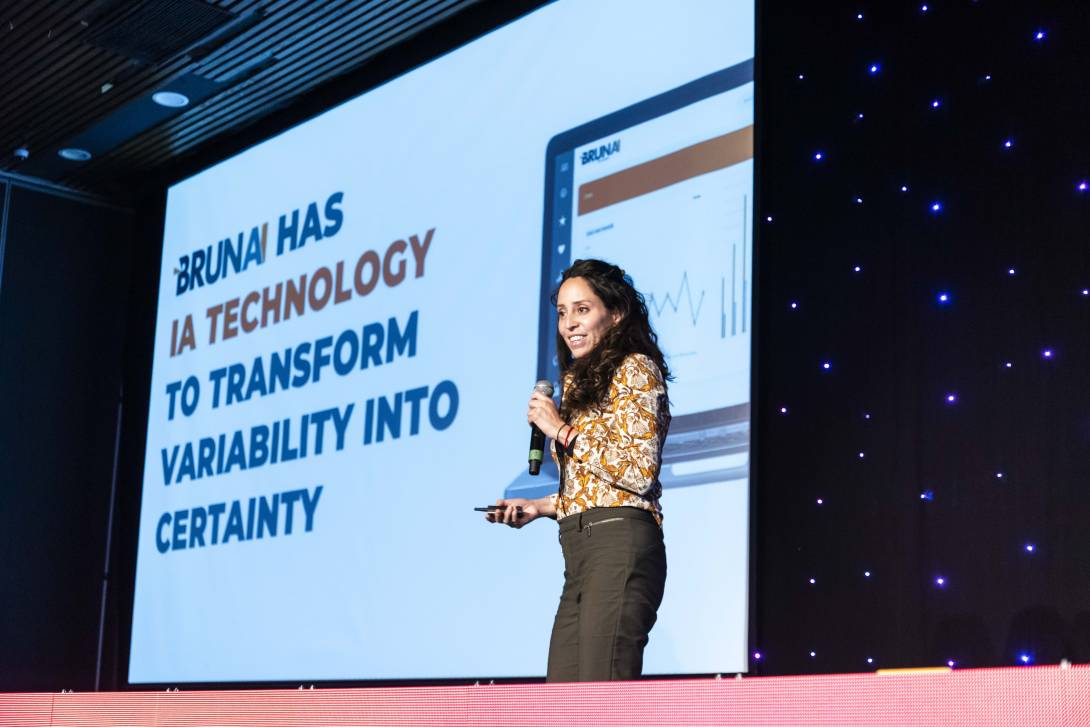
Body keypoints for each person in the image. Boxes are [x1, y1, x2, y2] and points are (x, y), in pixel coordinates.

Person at [486, 258, 671, 682]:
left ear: (617, 313)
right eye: (562, 313)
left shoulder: (636, 369)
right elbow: (599, 481)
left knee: (598, 702)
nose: (569, 323)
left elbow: (638, 471)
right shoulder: (579, 385)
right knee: (563, 701)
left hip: (619, 544)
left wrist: (560, 429)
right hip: (580, 551)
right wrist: (540, 507)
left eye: (582, 309)